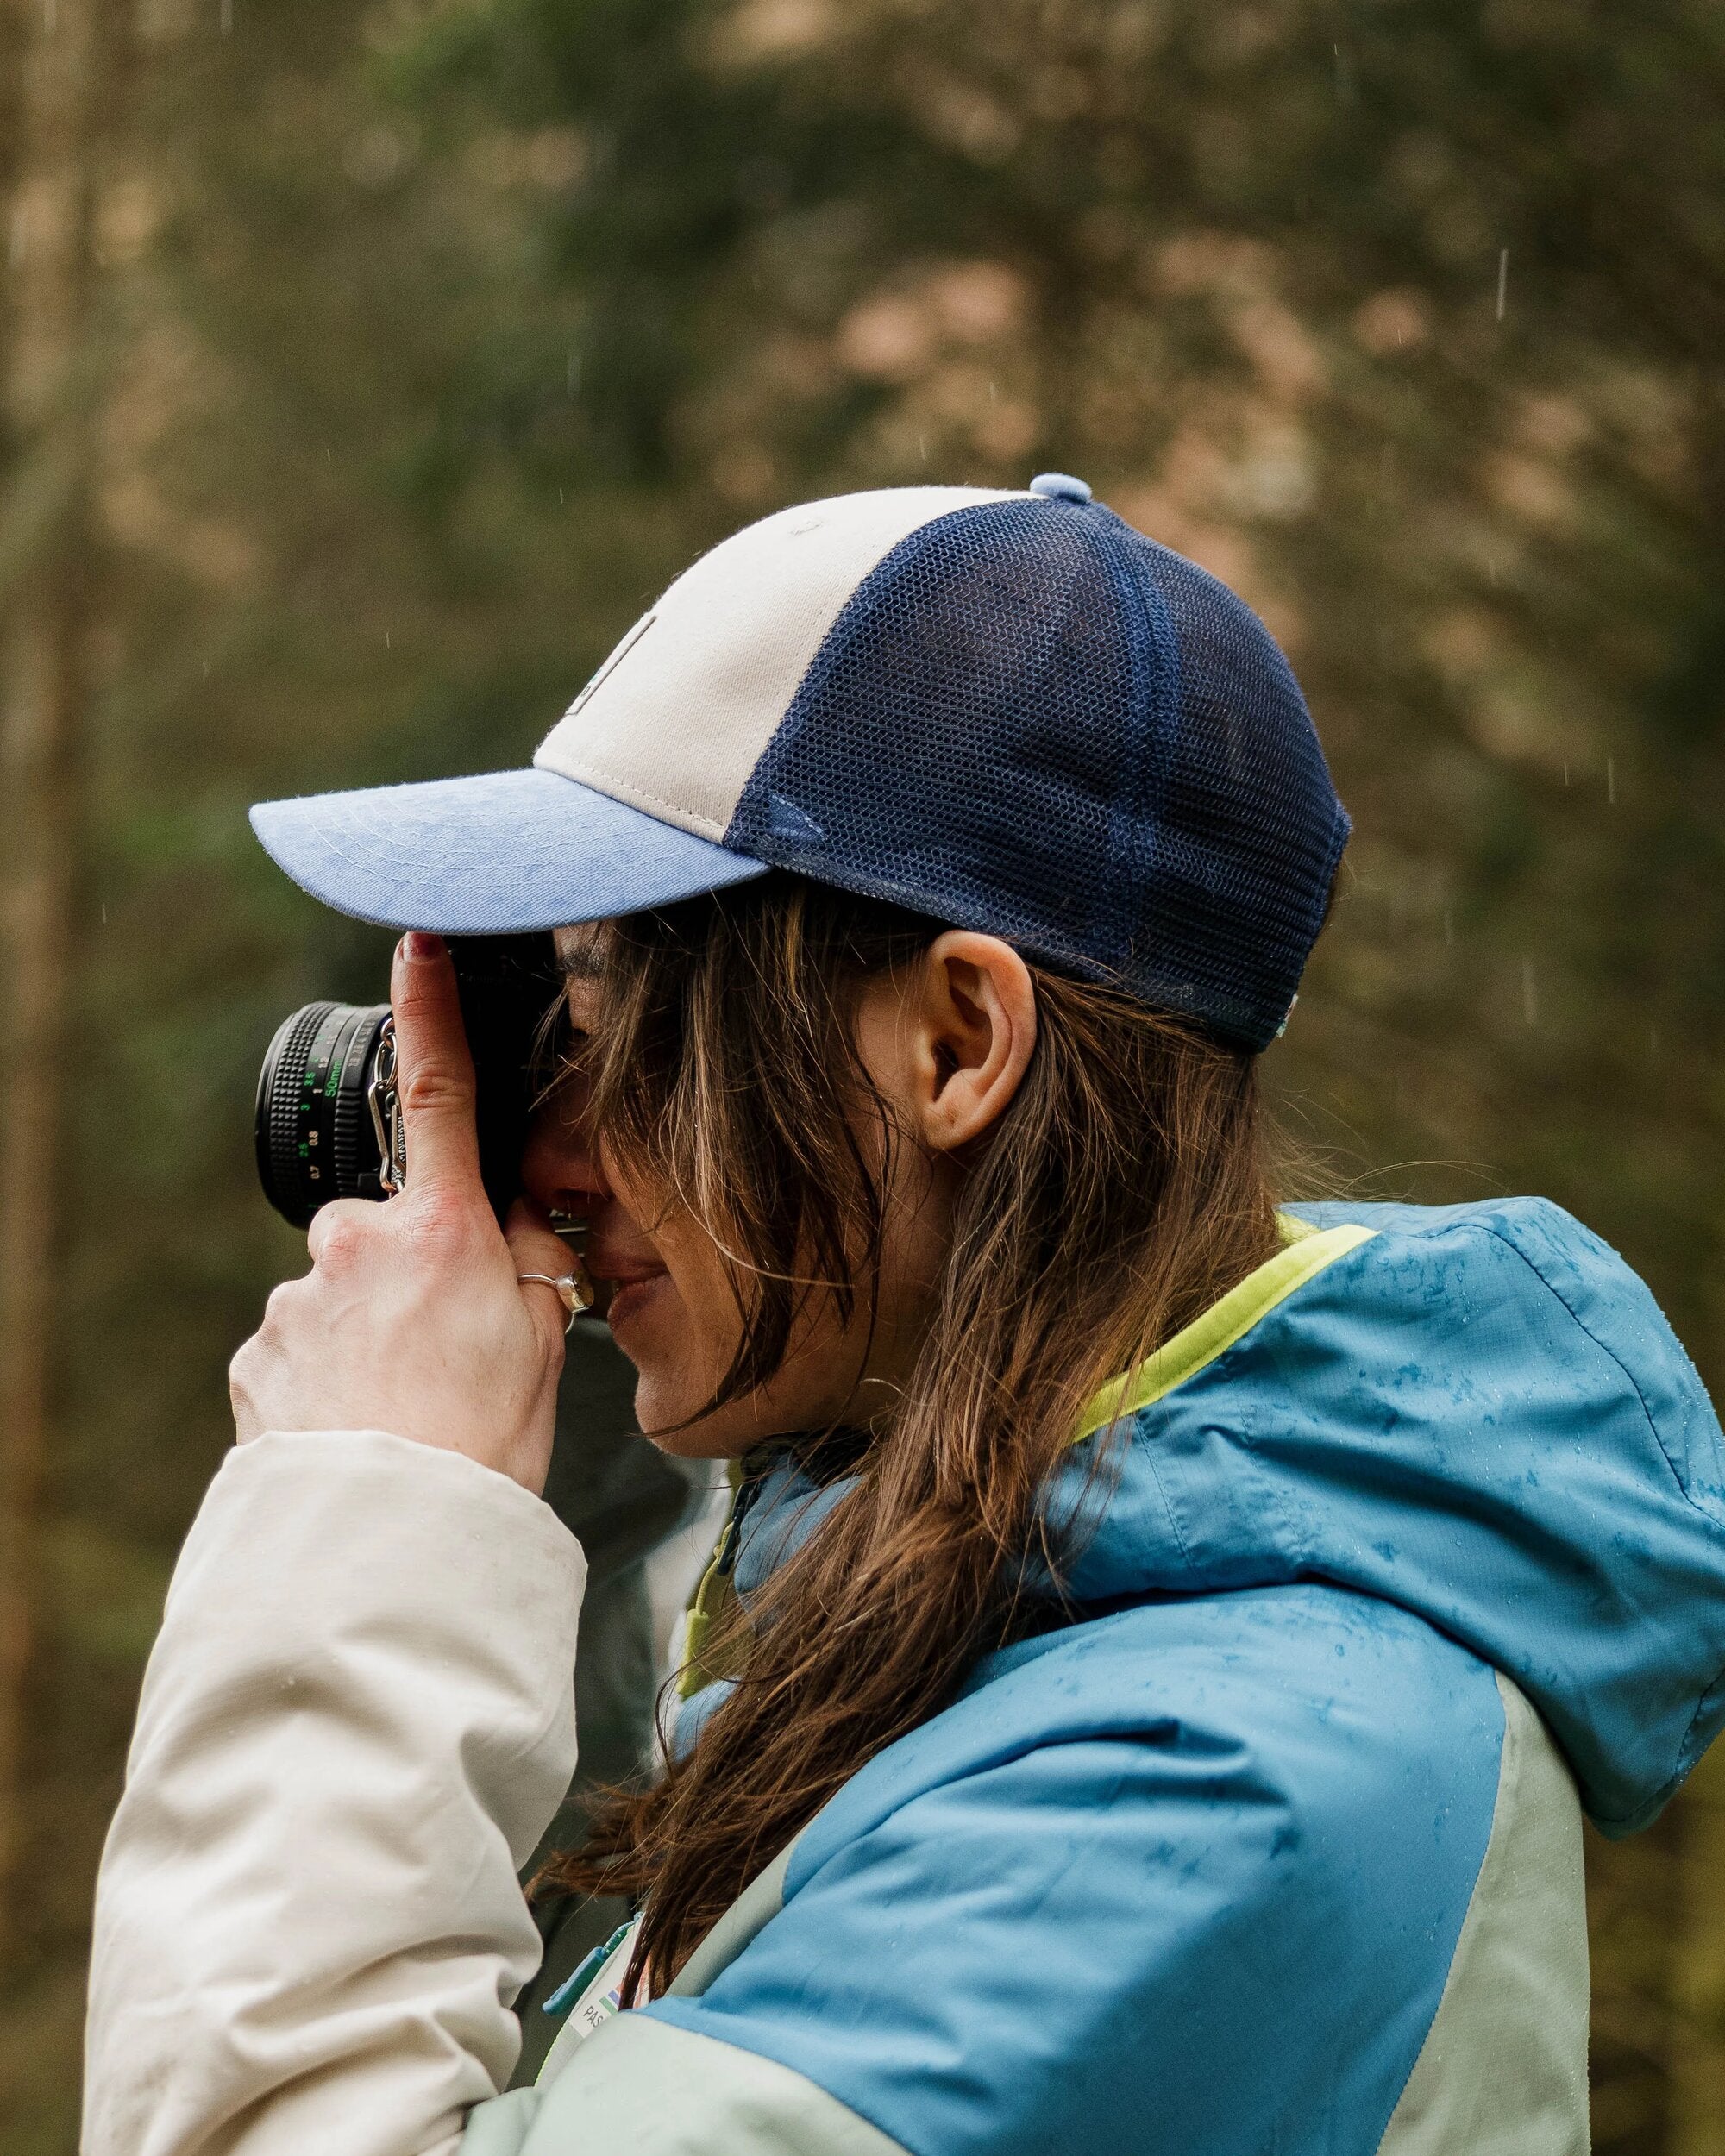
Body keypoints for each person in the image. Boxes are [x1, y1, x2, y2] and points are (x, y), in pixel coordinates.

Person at [84, 479, 1725, 2156]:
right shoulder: (992, 1656)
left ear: (951, 1043)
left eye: (609, 1023)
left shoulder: (1205, 1788)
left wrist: (370, 1513)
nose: (545, 1160)